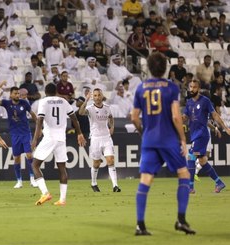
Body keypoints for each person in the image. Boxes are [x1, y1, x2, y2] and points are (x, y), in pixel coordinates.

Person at [131, 52, 195, 235]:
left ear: (149, 67)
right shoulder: (171, 87)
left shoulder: (141, 87)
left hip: (149, 140)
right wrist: (183, 139)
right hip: (168, 139)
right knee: (183, 175)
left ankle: (140, 225)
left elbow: (134, 117)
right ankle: (181, 220)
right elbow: (176, 116)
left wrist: (144, 132)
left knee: (145, 180)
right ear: (165, 67)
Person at [31, 83, 86, 206]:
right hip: (61, 138)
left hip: (50, 137)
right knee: (62, 168)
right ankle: (62, 200)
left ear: (45, 92)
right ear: (56, 91)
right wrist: (79, 133)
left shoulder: (43, 102)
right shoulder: (63, 101)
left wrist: (35, 138)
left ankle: (45, 192)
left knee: (35, 165)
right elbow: (74, 119)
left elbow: (39, 120)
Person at [183, 79, 230, 194]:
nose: (192, 89)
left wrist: (225, 128)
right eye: (190, 87)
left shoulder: (205, 101)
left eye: (194, 87)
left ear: (198, 88)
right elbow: (184, 118)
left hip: (202, 135)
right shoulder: (189, 102)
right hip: (194, 134)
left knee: (191, 156)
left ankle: (190, 187)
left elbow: (215, 115)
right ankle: (219, 182)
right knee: (203, 161)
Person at [0, 83, 38, 188]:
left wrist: (39, 127)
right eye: (15, 93)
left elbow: (33, 115)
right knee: (16, 158)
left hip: (25, 133)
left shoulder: (24, 103)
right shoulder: (7, 103)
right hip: (15, 134)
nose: (18, 95)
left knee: (29, 155)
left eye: (18, 93)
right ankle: (19, 181)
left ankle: (32, 179)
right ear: (11, 95)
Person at [79, 88, 121, 193]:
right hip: (95, 139)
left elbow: (111, 117)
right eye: (95, 95)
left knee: (110, 160)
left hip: (106, 138)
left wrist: (112, 127)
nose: (97, 97)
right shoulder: (90, 108)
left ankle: (115, 186)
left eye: (99, 95)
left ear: (102, 96)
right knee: (96, 163)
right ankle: (93, 183)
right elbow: (81, 112)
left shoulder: (107, 108)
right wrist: (85, 100)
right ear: (93, 97)